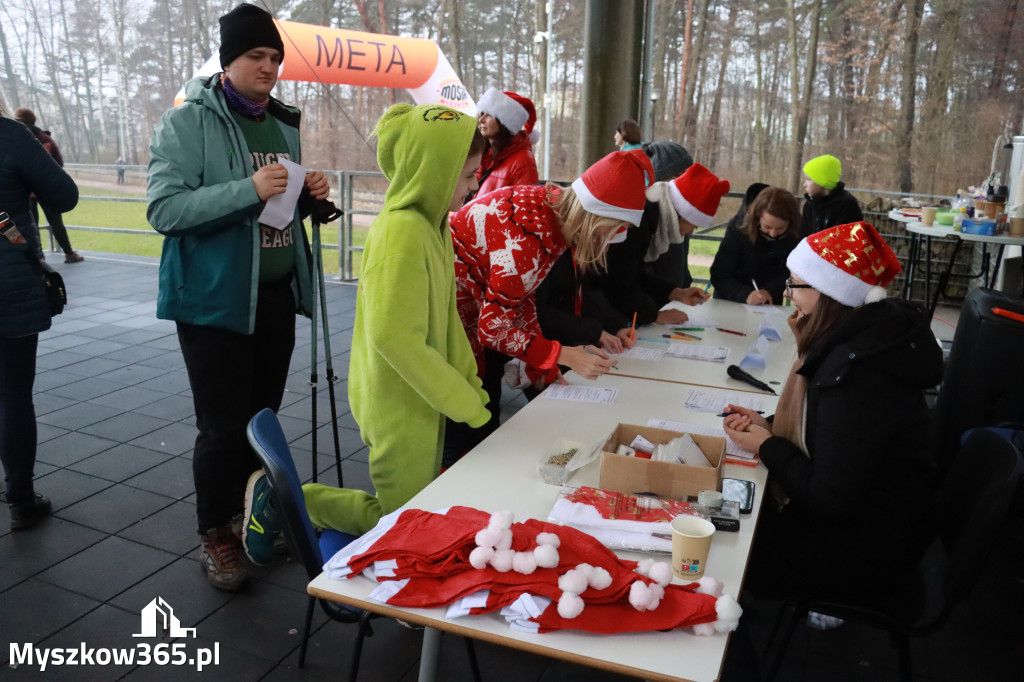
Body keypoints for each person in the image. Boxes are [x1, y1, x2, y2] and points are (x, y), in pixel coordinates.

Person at [241, 104, 492, 553]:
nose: (475, 185)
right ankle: (286, 499)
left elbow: (448, 322)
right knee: (397, 521)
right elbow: (395, 338)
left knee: (414, 507)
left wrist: (469, 388)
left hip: (422, 394)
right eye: (467, 174)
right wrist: (461, 401)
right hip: (396, 400)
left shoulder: (434, 228)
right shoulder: (402, 234)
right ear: (433, 172)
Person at [146, 2, 330, 591]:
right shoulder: (187, 122)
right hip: (213, 301)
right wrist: (246, 189)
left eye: (275, 57)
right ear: (229, 60)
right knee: (221, 429)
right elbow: (164, 209)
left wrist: (308, 196)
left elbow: (276, 208)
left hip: (274, 296)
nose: (269, 66)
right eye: (257, 55)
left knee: (260, 425)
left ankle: (254, 520)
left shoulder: (281, 122)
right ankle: (214, 533)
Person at [722, 221, 942, 610]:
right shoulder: (857, 339)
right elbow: (827, 432)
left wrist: (769, 445)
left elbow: (828, 497)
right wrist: (769, 424)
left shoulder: (857, 374)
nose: (788, 296)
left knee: (728, 539)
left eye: (796, 285)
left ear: (831, 293)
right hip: (871, 521)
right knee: (730, 512)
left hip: (867, 547)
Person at [443, 150, 653, 461]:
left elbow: (523, 297)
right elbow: (493, 328)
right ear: (595, 219)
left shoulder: (548, 209)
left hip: (469, 312)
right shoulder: (530, 237)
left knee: (480, 425)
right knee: (463, 433)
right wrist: (561, 353)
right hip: (453, 321)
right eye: (608, 233)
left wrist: (541, 362)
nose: (607, 244)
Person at [0, 96, 79, 530]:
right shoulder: (11, 134)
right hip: (9, 283)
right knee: (13, 395)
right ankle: (21, 498)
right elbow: (65, 196)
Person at [589, 162, 729, 328]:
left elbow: (635, 272)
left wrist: (674, 292)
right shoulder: (639, 221)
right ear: (682, 214)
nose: (691, 232)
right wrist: (654, 315)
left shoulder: (651, 214)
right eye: (694, 225)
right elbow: (619, 281)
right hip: (591, 300)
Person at [13, 108, 84, 263]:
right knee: (56, 223)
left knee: (32, 225)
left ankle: (39, 258)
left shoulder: (15, 139)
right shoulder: (45, 138)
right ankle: (69, 253)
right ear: (34, 120)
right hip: (47, 190)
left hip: (25, 192)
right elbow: (58, 162)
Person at [710, 186, 801, 305]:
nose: (773, 233)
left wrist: (770, 290)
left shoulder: (796, 232)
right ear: (757, 218)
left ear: (790, 223)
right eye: (767, 227)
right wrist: (745, 294)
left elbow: (793, 272)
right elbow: (719, 273)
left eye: (780, 228)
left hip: (769, 304)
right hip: (730, 302)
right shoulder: (739, 228)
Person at [642, 140, 695, 287]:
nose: (688, 180)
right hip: (656, 302)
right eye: (681, 174)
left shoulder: (680, 209)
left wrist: (686, 287)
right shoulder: (645, 216)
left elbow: (681, 264)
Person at [473, 88, 539, 198]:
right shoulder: (485, 154)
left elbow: (525, 208)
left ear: (506, 123)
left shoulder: (523, 161)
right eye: (482, 113)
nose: (481, 120)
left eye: (489, 115)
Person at [800, 154, 863, 237]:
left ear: (823, 181)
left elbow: (846, 240)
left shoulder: (847, 205)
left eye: (808, 179)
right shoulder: (810, 205)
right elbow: (803, 237)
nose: (804, 184)